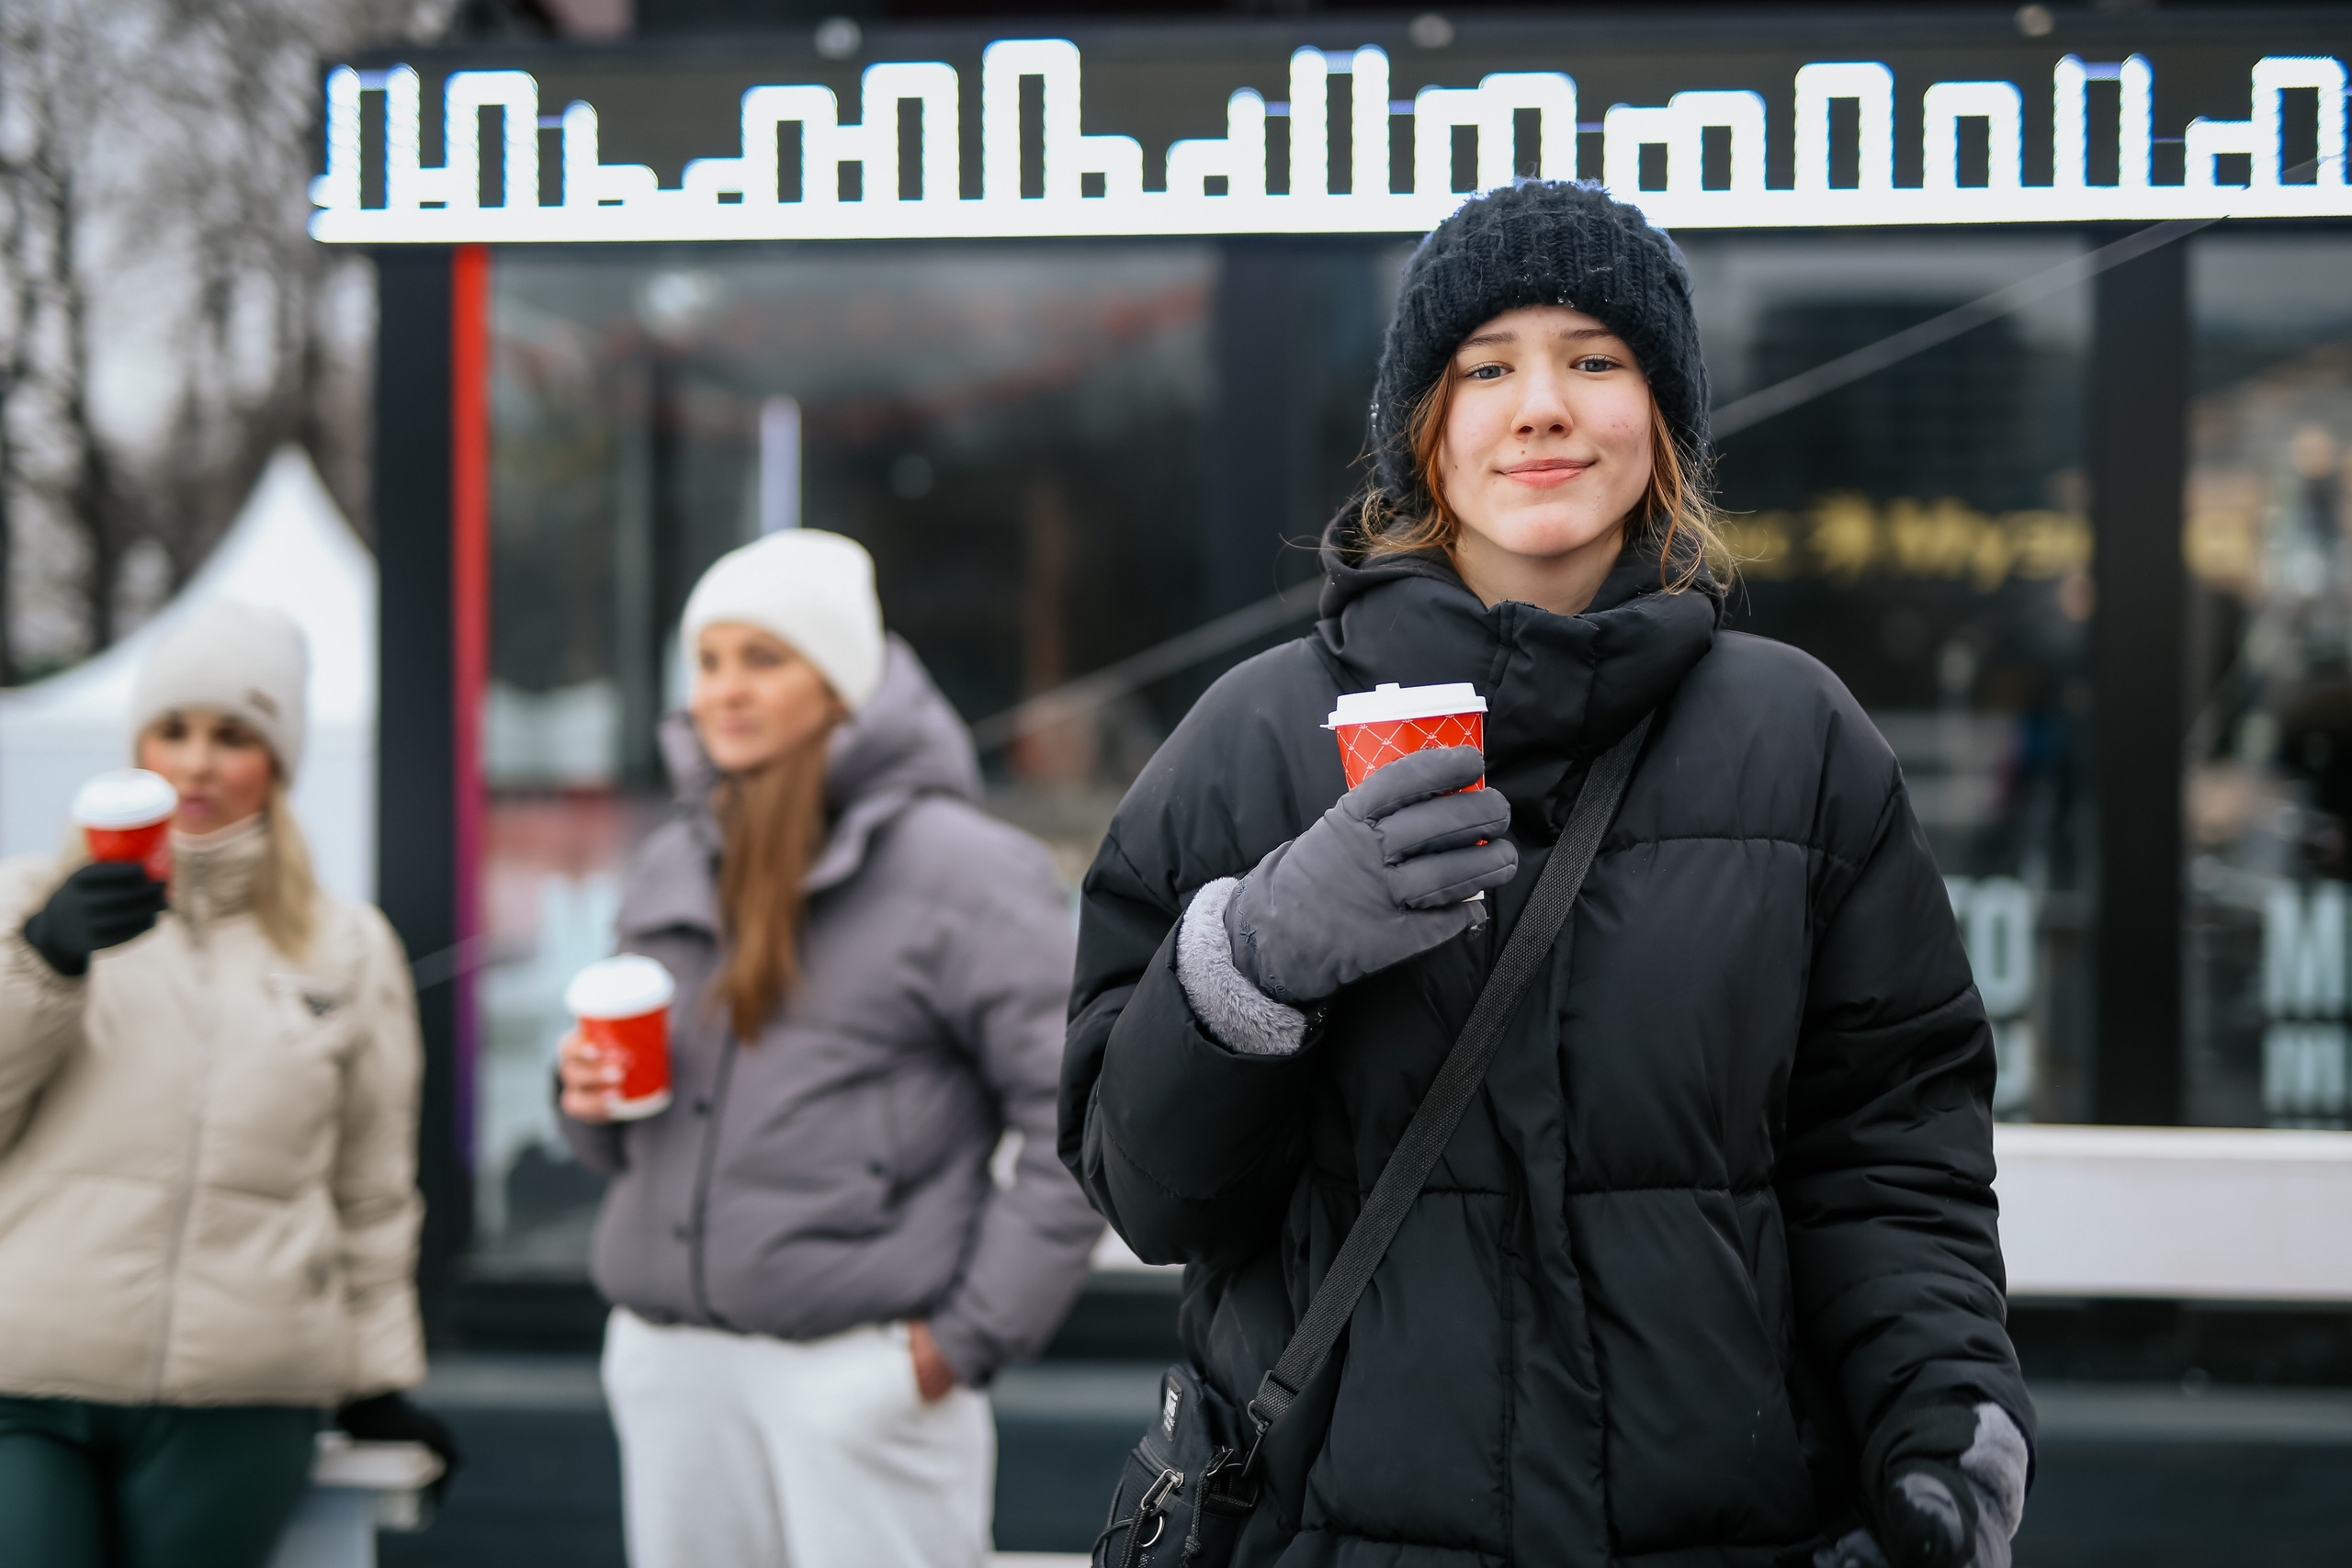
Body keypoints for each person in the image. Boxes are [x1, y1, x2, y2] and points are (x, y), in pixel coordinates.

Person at [1060, 181, 2033, 1568]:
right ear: (1422, 425)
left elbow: (1887, 1163)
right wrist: (1249, 963)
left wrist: (1941, 1423)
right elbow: (1150, 1197)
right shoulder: (1255, 738)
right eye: (1485, 369)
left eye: (1596, 359)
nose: (1541, 408)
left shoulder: (1798, 738)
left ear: (1662, 418)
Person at [558, 529, 1102, 1568]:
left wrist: (960, 1343)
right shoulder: (673, 859)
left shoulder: (964, 870)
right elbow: (614, 1142)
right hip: (671, 1370)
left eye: (763, 658)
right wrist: (580, 1093)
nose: (725, 689)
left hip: (860, 1376)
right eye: (708, 661)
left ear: (842, 681)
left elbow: (1078, 1116)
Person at [0, 600, 451, 1568]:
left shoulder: (349, 945)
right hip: (23, 1377)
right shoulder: (25, 902)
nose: (198, 763)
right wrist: (44, 962)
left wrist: (377, 1378)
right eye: (174, 729)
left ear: (277, 764)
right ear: (137, 747)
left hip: (246, 1389)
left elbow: (371, 1188)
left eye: (234, 736)